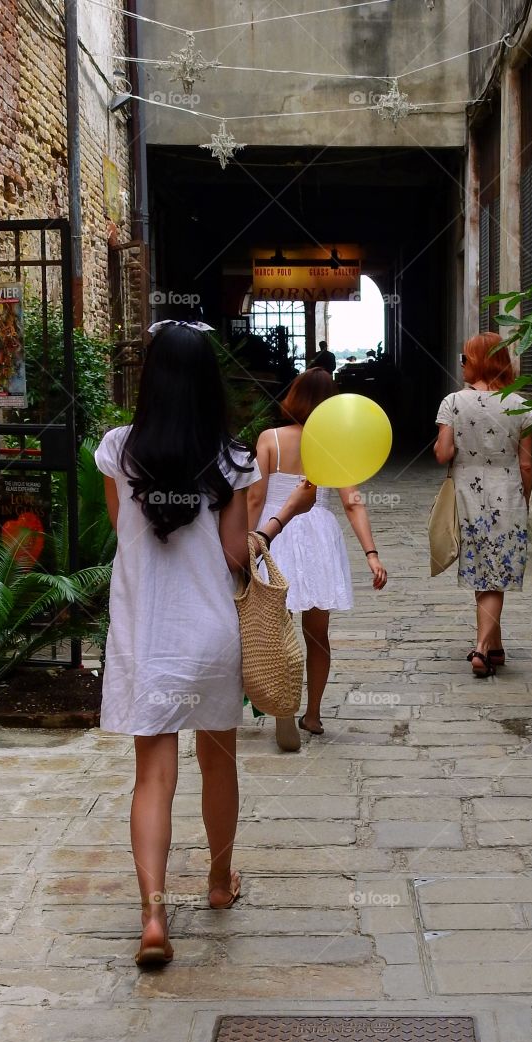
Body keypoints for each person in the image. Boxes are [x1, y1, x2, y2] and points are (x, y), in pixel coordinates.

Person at [95, 321, 316, 968]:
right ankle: (219, 883)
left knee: (152, 776)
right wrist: (276, 522)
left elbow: (122, 530)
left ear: (151, 378)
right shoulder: (231, 458)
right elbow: (234, 555)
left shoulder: (118, 450)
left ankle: (154, 916)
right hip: (210, 631)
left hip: (147, 633)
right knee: (218, 764)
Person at [247, 368, 388, 749]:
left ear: (293, 396)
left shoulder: (270, 439)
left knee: (276, 629)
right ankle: (312, 713)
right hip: (317, 536)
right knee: (318, 634)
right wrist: (371, 554)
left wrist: (248, 543)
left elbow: (255, 497)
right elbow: (352, 502)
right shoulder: (331, 445)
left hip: (276, 533)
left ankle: (283, 706)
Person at [433, 332, 532, 678]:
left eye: (465, 358)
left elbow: (443, 454)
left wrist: (444, 444)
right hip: (508, 495)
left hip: (468, 497)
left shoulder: (453, 403)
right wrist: (525, 499)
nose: (461, 364)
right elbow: (526, 465)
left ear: (477, 362)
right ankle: (492, 646)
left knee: (484, 570)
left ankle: (481, 648)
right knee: (495, 572)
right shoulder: (520, 405)